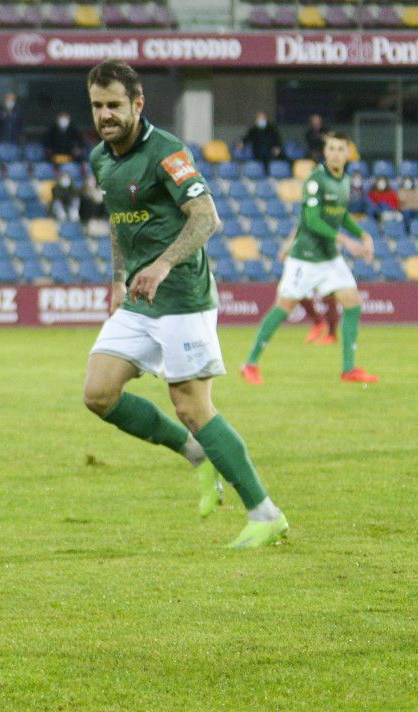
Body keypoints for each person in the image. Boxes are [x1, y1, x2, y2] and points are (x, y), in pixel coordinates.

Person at [82, 59, 288, 549]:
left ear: (137, 104)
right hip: (137, 300)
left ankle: (265, 513)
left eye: (114, 105)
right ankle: (196, 453)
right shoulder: (101, 159)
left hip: (183, 299)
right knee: (99, 393)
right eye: (96, 106)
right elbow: (118, 220)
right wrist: (117, 278)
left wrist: (163, 264)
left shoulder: (167, 152)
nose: (105, 115)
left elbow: (206, 218)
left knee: (192, 405)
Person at [242, 133, 378, 386]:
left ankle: (349, 369)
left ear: (348, 153)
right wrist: (346, 241)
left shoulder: (345, 180)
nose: (336, 153)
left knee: (353, 302)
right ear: (325, 152)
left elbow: (341, 215)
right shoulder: (316, 180)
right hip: (305, 257)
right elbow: (313, 221)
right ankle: (250, 363)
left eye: (340, 149)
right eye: (331, 148)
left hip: (329, 257)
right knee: (283, 307)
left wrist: (362, 234)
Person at [0, 90, 24, 155]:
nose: (10, 101)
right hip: (1, 140)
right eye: (8, 99)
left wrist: (21, 135)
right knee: (1, 158)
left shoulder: (18, 111)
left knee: (13, 159)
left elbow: (21, 124)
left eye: (12, 99)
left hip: (14, 140)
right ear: (4, 100)